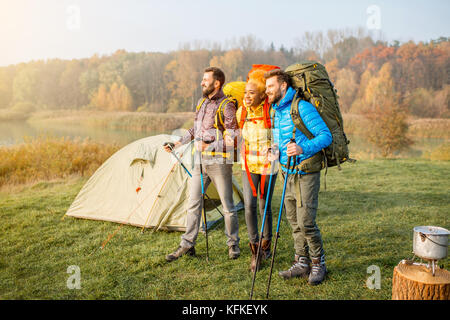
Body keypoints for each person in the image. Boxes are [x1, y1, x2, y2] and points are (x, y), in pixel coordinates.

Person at [164, 67, 240, 262]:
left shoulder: (227, 106)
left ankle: (233, 245)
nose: (202, 82)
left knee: (228, 206)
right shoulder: (201, 103)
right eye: (202, 78)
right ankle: (187, 245)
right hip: (200, 161)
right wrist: (177, 142)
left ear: (217, 83)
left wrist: (210, 144)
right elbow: (194, 129)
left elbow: (234, 139)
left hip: (220, 162)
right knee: (193, 203)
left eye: (205, 79)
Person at [264, 69, 332, 285]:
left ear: (283, 86)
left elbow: (326, 136)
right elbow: (281, 142)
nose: (267, 91)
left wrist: (303, 148)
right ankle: (301, 263)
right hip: (287, 173)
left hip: (305, 173)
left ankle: (318, 264)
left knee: (307, 223)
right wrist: (275, 152)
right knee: (293, 221)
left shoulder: (302, 107)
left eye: (270, 86)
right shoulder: (277, 111)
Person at [236, 69, 277, 273]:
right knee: (249, 205)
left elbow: (283, 134)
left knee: (264, 205)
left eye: (252, 93)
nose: (247, 96)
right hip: (248, 164)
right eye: (245, 92)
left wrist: (274, 147)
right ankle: (255, 251)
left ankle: (266, 245)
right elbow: (235, 132)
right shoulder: (241, 112)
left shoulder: (272, 112)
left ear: (262, 95)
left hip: (269, 164)